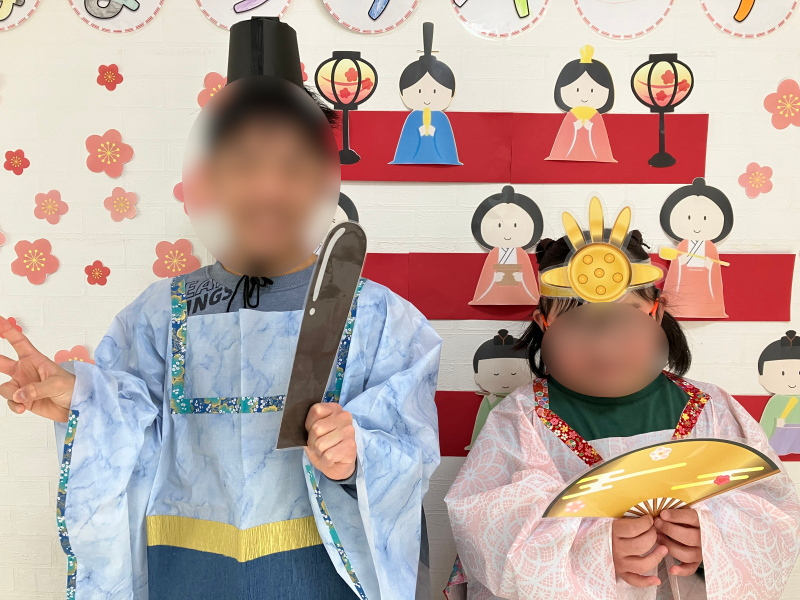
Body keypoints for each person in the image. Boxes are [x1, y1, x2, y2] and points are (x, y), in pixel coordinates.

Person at [0, 18, 441, 600]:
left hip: (319, 577)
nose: (267, 188)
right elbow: (132, 432)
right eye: (244, 164)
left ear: (322, 180)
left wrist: (359, 453)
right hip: (186, 571)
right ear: (210, 179)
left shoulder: (385, 321)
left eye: (291, 166)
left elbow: (411, 454)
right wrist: (85, 403)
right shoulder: (157, 315)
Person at [445, 200, 800, 600]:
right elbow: (486, 527)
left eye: (627, 317)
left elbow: (774, 512)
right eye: (576, 323)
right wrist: (590, 547)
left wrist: (710, 537)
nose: (605, 346)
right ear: (544, 325)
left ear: (656, 315)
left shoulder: (712, 408)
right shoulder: (520, 418)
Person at [660, 177, 733, 319]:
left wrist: (709, 265)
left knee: (704, 298)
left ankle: (711, 309)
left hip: (704, 279)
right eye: (688, 218)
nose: (697, 225)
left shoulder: (710, 247)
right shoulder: (683, 245)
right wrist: (680, 261)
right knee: (682, 298)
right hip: (685, 279)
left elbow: (714, 272)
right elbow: (676, 267)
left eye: (705, 218)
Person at [391, 22, 461, 166]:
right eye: (419, 91)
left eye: (435, 91)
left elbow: (445, 144)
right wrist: (419, 133)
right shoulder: (413, 117)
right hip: (413, 158)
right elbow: (407, 142)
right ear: (403, 93)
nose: (427, 98)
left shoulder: (441, 118)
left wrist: (434, 133)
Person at [469, 186, 543, 306]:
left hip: (520, 293)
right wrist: (494, 278)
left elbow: (528, 278)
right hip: (494, 291)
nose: (507, 234)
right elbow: (486, 279)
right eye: (499, 225)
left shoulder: (522, 254)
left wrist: (521, 278)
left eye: (515, 225)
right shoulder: (493, 254)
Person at [546, 45, 616, 163]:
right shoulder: (570, 116)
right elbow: (564, 139)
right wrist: (576, 127)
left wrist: (589, 128)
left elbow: (600, 140)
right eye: (577, 90)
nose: (584, 97)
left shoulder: (596, 117)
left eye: (592, 91)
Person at [466, 329, 530, 450]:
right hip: (495, 441)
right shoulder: (491, 399)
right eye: (495, 374)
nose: (505, 378)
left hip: (523, 441)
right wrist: (475, 442)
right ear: (477, 376)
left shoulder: (526, 397)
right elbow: (481, 421)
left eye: (513, 373)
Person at [758, 330, 800, 456]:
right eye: (783, 373)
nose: (792, 381)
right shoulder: (776, 401)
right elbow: (767, 424)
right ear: (762, 378)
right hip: (779, 446)